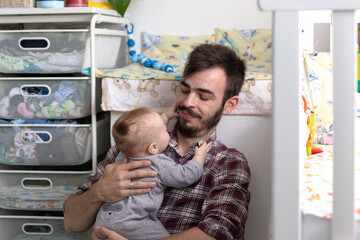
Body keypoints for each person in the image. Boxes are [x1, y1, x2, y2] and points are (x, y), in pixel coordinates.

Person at [63, 43, 251, 240]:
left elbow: (219, 233)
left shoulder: (228, 163)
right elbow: (71, 222)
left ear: (229, 105)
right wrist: (98, 193)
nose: (187, 103)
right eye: (185, 91)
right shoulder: (135, 144)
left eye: (203, 97)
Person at [94, 106, 212, 240]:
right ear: (153, 148)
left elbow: (143, 134)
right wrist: (199, 157)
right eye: (164, 130)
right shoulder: (157, 163)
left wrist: (166, 116)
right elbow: (185, 175)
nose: (167, 130)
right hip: (133, 222)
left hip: (104, 219)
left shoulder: (122, 155)